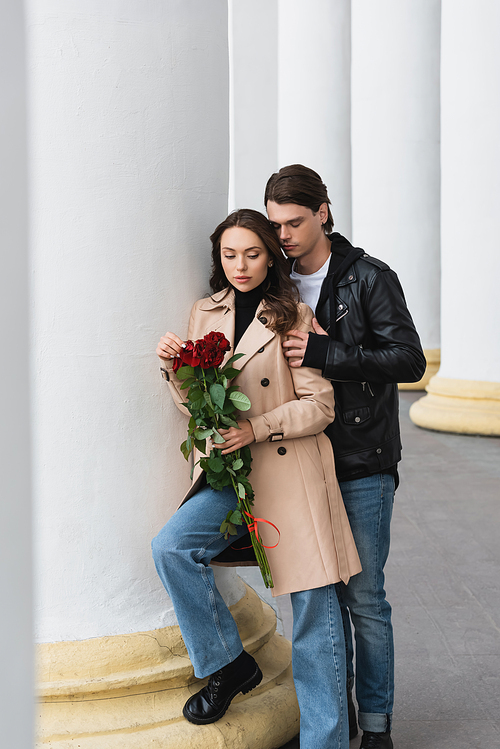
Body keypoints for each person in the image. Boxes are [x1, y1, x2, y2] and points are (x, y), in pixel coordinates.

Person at [153, 208, 361, 749]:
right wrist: (177, 369)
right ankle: (228, 663)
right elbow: (197, 405)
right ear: (218, 259)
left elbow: (321, 407)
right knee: (173, 547)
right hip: (232, 475)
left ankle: (327, 740)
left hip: (291, 473)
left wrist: (257, 427)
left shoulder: (293, 315)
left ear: (271, 256)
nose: (240, 265)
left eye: (252, 253)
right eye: (229, 254)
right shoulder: (206, 311)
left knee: (315, 615)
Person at [265, 165, 427, 749]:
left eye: (295, 221)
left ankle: (377, 725)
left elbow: (409, 361)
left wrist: (329, 351)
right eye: (275, 223)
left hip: (362, 461)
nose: (283, 234)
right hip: (297, 464)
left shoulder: (369, 278)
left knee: (363, 596)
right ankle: (337, 715)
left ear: (324, 212)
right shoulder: (272, 282)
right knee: (315, 596)